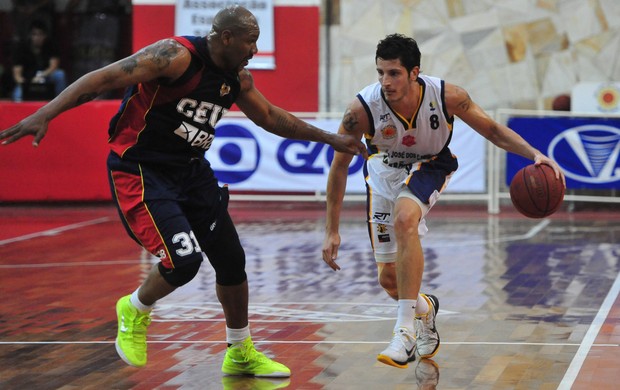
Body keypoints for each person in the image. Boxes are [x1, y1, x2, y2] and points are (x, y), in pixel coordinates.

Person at [0, 5, 367, 377]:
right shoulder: (173, 57)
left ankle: (240, 351)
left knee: (231, 260)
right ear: (226, 37)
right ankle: (135, 308)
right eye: (250, 41)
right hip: (143, 169)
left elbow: (271, 117)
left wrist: (331, 138)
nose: (255, 50)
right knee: (184, 261)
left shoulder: (238, 79)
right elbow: (100, 79)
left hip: (191, 172)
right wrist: (46, 112)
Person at [321, 34, 565, 369]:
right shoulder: (361, 109)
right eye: (380, 73)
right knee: (389, 281)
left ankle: (403, 332)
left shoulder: (447, 96)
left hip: (430, 164)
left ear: (414, 72)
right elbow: (338, 167)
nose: (385, 81)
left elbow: (493, 130)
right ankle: (425, 309)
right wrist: (331, 230)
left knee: (405, 218)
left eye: (393, 73)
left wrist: (536, 154)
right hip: (382, 172)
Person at [12, 19, 67, 101]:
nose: (37, 37)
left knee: (60, 74)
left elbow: (53, 66)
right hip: (27, 80)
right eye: (34, 34)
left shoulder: (51, 45)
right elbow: (17, 75)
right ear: (30, 36)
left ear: (45, 36)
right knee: (18, 96)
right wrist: (27, 84)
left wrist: (41, 75)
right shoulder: (21, 49)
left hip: (46, 77)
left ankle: (62, 101)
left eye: (40, 34)